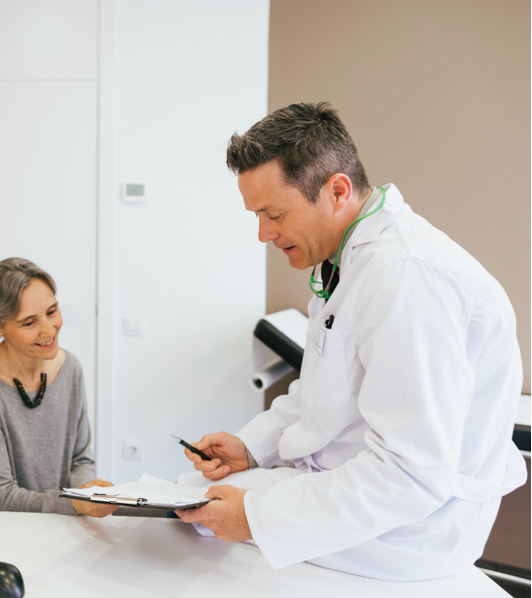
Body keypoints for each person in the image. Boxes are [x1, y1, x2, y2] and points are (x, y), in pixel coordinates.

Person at [176, 102, 527, 580]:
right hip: (346, 488)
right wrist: (252, 446)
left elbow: (410, 475)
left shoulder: (406, 280)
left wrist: (259, 517)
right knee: (190, 502)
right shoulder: (346, 257)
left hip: (406, 531)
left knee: (201, 529)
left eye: (273, 213)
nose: (263, 233)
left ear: (337, 190)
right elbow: (323, 390)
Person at [0, 257, 116, 517]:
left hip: (46, 513)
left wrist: (85, 492)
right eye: (29, 323)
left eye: (52, 312)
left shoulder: (70, 368)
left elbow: (80, 459)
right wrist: (74, 504)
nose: (48, 331)